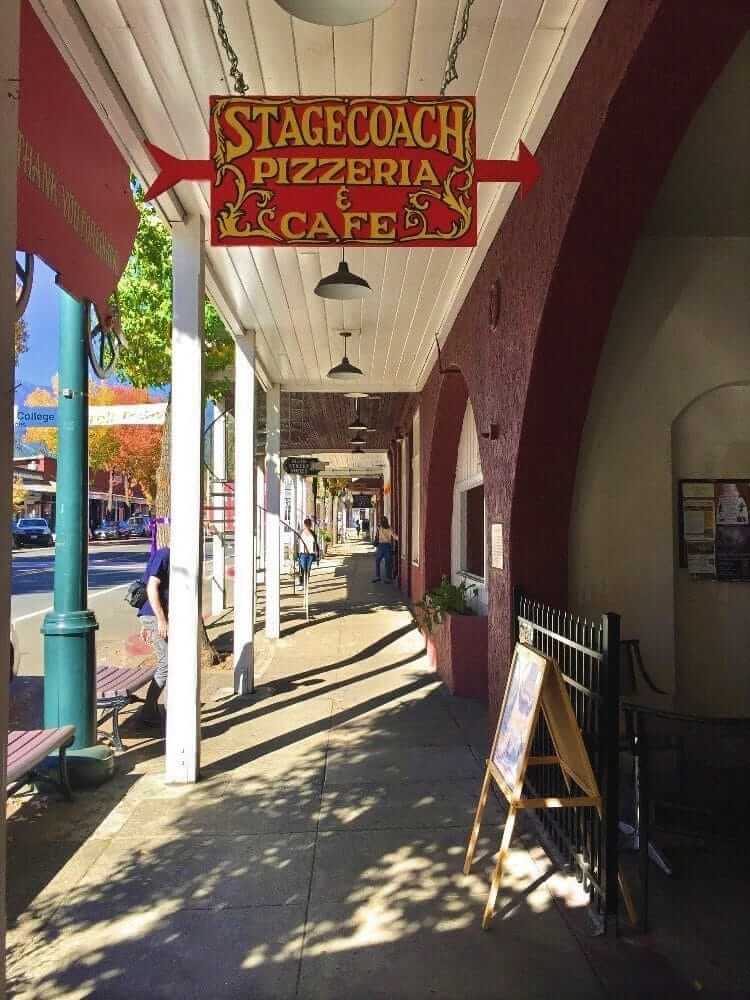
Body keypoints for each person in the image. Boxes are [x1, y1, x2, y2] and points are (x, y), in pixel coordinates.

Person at [137, 545, 170, 726]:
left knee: (168, 662)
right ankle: (148, 711)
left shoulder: (168, 555)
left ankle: (158, 708)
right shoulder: (165, 555)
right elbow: (151, 587)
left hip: (153, 616)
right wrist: (160, 620)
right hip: (156, 616)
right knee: (166, 663)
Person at [372, 516, 398, 583]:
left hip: (381, 546)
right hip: (387, 546)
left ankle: (378, 577)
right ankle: (388, 578)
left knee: (377, 561)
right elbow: (395, 537)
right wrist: (399, 538)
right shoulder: (389, 529)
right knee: (388, 563)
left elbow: (377, 532)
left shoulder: (379, 527)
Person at [298, 517, 319, 585]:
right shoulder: (301, 532)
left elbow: (316, 543)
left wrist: (317, 553)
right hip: (302, 553)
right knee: (302, 568)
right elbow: (297, 542)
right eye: (307, 525)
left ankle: (306, 582)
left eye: (309, 525)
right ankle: (302, 582)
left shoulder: (313, 533)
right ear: (304, 525)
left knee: (308, 569)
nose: (308, 526)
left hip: (310, 554)